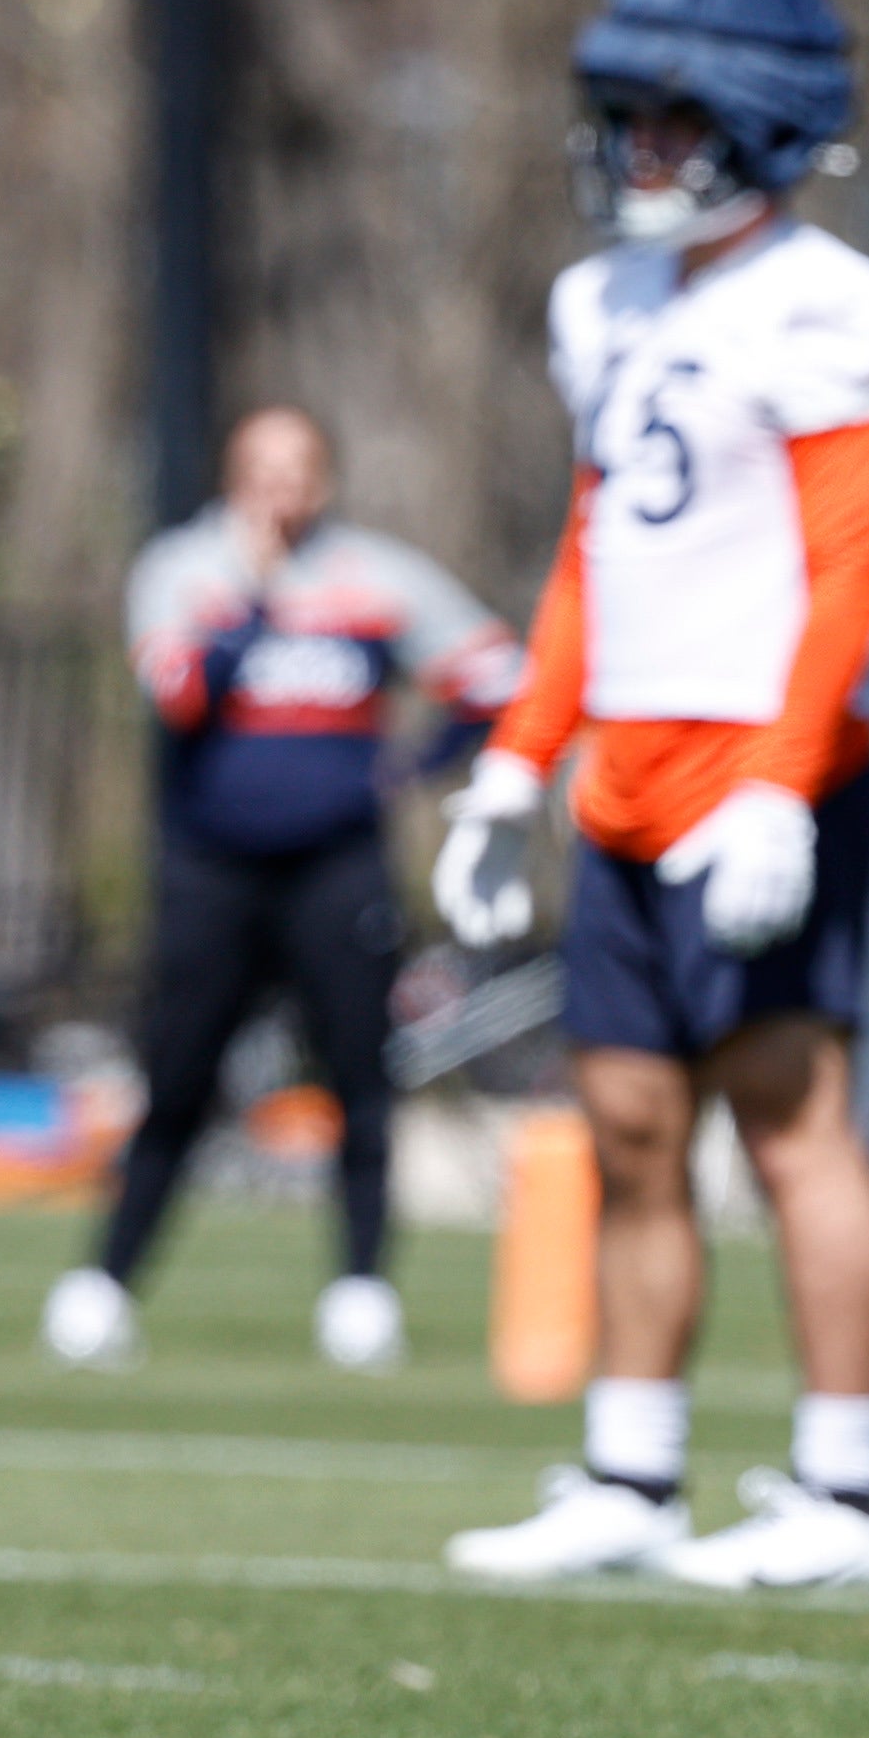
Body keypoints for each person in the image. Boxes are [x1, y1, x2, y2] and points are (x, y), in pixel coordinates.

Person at [433, 0, 869, 1593]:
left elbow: (853, 563)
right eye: (623, 111)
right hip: (623, 781)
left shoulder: (833, 308)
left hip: (765, 776)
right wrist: (517, 761)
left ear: (766, 123)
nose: (639, 144)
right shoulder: (605, 299)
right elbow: (595, 552)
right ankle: (631, 1469)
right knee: (631, 1127)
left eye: (675, 113)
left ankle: (844, 1491)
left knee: (794, 1129)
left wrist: (784, 779)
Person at [42, 406, 521, 1375]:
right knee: (178, 1076)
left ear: (327, 478)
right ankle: (104, 1287)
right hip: (211, 867)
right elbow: (178, 696)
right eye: (261, 467)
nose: (280, 487)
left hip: (337, 866)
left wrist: (414, 765)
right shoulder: (181, 570)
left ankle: (359, 1292)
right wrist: (254, 599)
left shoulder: (377, 575)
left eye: (299, 467)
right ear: (231, 472)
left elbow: (503, 676)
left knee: (359, 1078)